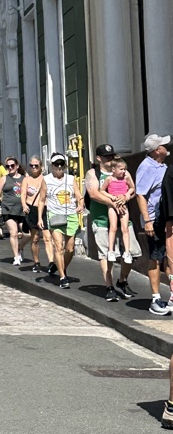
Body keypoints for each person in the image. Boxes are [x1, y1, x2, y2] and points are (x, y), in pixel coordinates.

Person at [85, 143, 141, 303]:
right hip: (102, 219)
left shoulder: (122, 171)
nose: (110, 159)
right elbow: (94, 193)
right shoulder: (93, 173)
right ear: (98, 158)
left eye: (111, 156)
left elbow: (132, 189)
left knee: (133, 252)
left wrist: (126, 197)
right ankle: (109, 286)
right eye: (106, 157)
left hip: (123, 217)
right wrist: (112, 202)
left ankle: (122, 280)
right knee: (106, 255)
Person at [135, 133, 172, 314]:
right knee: (156, 257)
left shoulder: (162, 165)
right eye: (164, 145)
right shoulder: (146, 167)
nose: (167, 146)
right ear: (157, 150)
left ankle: (171, 297)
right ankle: (156, 299)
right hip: (154, 219)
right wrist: (147, 220)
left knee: (169, 256)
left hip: (166, 217)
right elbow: (140, 194)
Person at [42, 153, 84, 290]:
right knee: (58, 247)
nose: (59, 167)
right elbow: (42, 200)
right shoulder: (46, 179)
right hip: (54, 215)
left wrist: (80, 203)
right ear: (52, 166)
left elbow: (78, 195)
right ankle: (62, 276)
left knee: (70, 248)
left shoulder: (71, 179)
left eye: (62, 164)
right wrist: (39, 218)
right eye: (56, 165)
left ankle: (60, 266)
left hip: (70, 214)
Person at [0, 157, 29, 266]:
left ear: (17, 166)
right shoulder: (4, 179)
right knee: (13, 232)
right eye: (8, 166)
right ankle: (16, 257)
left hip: (22, 209)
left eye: (12, 165)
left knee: (27, 234)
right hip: (8, 209)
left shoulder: (24, 178)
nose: (10, 168)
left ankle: (19, 248)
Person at [20, 156, 54, 273]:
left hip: (44, 209)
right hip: (31, 210)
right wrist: (24, 205)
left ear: (41, 167)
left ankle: (51, 263)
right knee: (34, 238)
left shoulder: (45, 179)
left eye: (36, 166)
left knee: (47, 238)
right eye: (31, 166)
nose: (33, 168)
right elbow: (23, 194)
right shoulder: (26, 180)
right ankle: (37, 262)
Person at [101, 158, 135, 263]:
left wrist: (126, 195)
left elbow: (132, 188)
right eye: (121, 169)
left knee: (125, 228)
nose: (123, 171)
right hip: (112, 205)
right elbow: (102, 190)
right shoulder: (109, 179)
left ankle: (127, 252)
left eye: (124, 169)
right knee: (113, 227)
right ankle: (111, 251)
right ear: (113, 169)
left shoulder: (126, 178)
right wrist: (111, 197)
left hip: (123, 205)